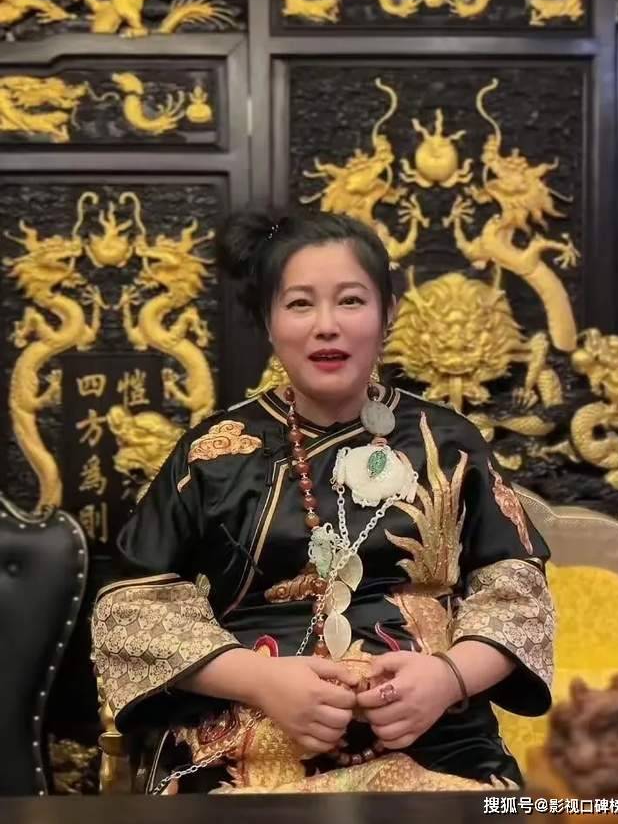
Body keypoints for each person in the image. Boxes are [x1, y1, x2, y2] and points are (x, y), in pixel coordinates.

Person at [92, 210, 555, 795]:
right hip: (242, 741)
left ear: (387, 315)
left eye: (351, 301)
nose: (327, 326)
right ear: (268, 322)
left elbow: (518, 595)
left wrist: (449, 677)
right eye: (300, 304)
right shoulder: (214, 454)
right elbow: (129, 610)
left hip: (439, 738)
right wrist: (261, 681)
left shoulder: (450, 440)